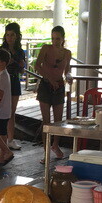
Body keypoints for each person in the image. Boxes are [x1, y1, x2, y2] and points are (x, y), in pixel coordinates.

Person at [35, 26, 71, 159]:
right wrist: (50, 79)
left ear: (62, 39)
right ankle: (46, 152)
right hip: (46, 85)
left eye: (58, 39)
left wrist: (68, 77)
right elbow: (37, 65)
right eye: (53, 38)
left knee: (58, 121)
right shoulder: (46, 48)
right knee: (46, 122)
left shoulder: (67, 53)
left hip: (59, 86)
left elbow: (67, 70)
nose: (55, 41)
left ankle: (55, 145)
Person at [0, 22, 25, 150]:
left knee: (12, 111)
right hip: (3, 81)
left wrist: (19, 64)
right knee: (1, 110)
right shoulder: (1, 50)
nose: (9, 37)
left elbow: (22, 69)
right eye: (7, 35)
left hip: (14, 80)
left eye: (12, 35)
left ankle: (10, 139)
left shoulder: (20, 51)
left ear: (17, 36)